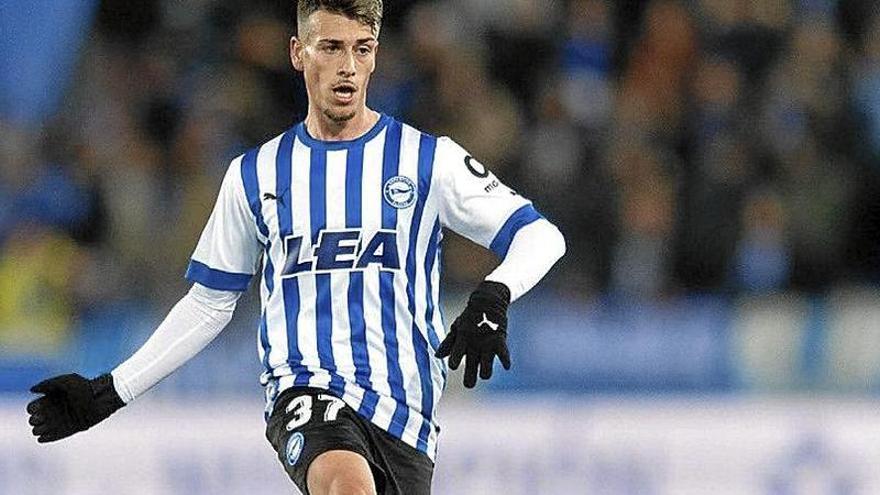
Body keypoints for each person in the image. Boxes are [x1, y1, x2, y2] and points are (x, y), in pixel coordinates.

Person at [26, 1, 566, 493]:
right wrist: (110, 391)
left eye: (362, 49)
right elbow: (209, 302)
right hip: (305, 393)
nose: (348, 67)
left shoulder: (429, 160)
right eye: (331, 47)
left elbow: (542, 236)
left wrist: (495, 293)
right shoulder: (256, 174)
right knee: (347, 486)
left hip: (406, 414)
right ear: (298, 52)